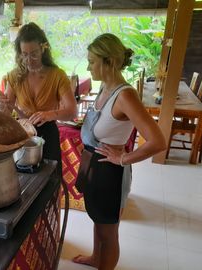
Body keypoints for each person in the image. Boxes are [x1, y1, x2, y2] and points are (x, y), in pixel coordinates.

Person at [73, 33, 166, 269]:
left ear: (109, 62)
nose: (88, 66)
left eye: (92, 61)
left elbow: (157, 141)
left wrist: (123, 157)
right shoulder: (105, 87)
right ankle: (96, 258)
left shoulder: (125, 95)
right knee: (97, 219)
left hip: (110, 173)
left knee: (109, 232)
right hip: (92, 164)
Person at [0, 22, 77, 171]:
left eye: (34, 54)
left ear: (43, 49)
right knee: (24, 180)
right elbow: (5, 113)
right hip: (23, 133)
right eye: (24, 54)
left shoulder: (57, 75)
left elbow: (72, 112)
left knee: (50, 180)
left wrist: (48, 114)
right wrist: (1, 105)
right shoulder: (14, 76)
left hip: (49, 133)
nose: (29, 60)